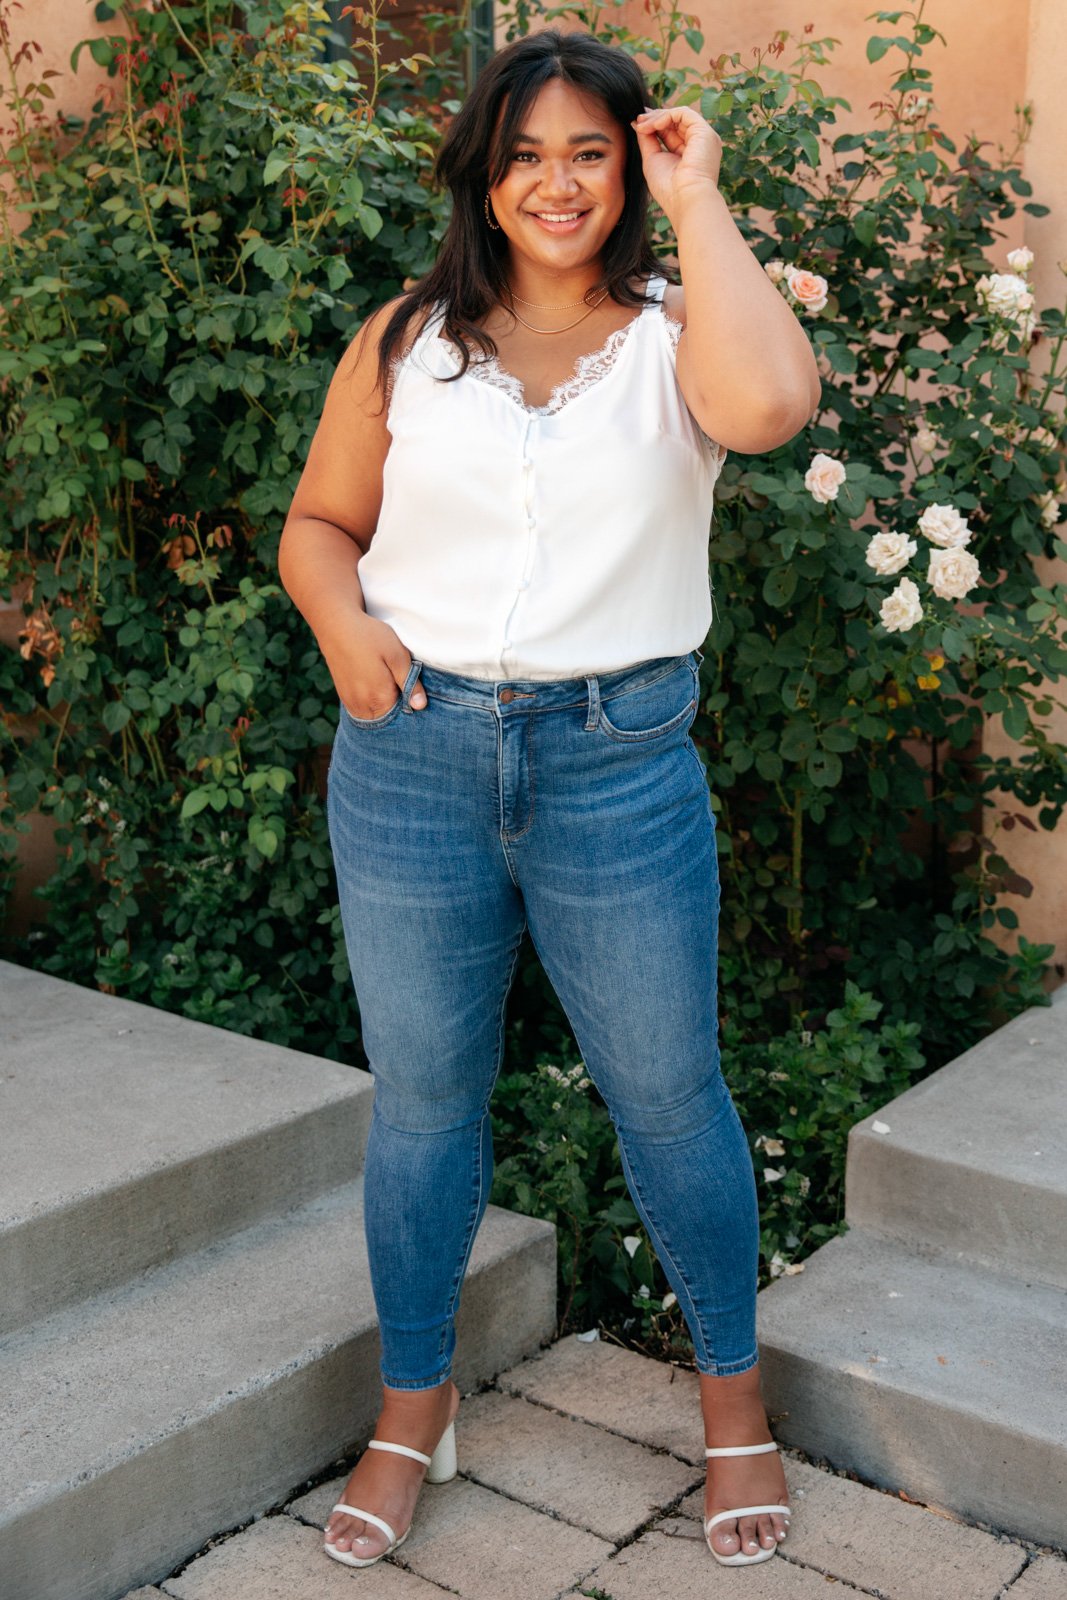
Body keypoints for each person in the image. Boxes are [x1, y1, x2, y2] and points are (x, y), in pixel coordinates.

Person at [279, 26, 820, 1573]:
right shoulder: (407, 342)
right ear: (483, 175)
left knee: (668, 1099)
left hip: (617, 766)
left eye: (592, 150)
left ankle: (733, 1413)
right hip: (411, 759)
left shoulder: (673, 339)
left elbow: (776, 406)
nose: (557, 182)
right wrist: (346, 626)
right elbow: (322, 523)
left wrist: (701, 199)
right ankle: (411, 1410)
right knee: (426, 1105)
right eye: (526, 155)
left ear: (633, 163)